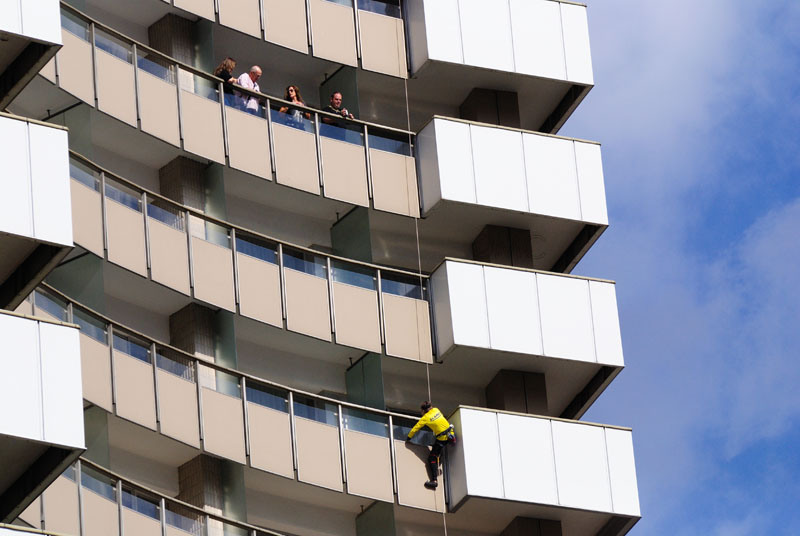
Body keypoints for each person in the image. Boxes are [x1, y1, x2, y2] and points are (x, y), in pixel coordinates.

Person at [405, 401, 456, 490]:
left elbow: (415, 428)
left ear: (423, 411)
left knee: (432, 458)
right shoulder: (436, 410)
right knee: (437, 446)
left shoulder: (425, 418)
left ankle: (434, 481)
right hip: (450, 433)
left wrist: (408, 438)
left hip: (442, 439)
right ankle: (449, 443)